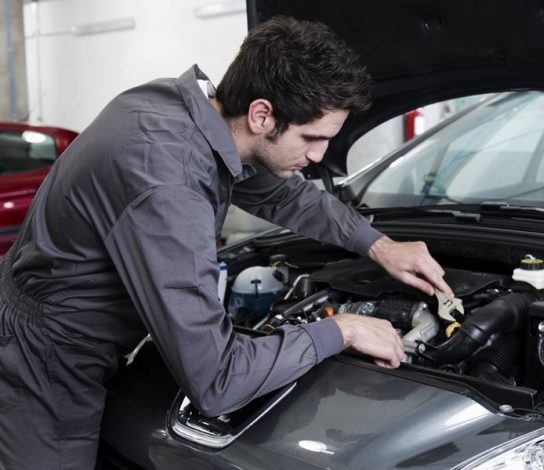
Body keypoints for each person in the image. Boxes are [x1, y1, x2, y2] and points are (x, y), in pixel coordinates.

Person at [0, 16, 452, 469]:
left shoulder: (182, 108)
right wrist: (343, 329)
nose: (318, 156)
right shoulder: (169, 183)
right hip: (48, 357)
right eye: (312, 138)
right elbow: (218, 380)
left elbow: (282, 194)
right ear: (261, 114)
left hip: (70, 331)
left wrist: (379, 245)